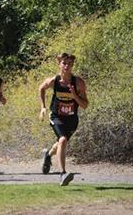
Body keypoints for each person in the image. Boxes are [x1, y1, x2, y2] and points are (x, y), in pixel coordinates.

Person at [39, 52, 88, 186]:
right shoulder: (54, 81)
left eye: (70, 64)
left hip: (72, 119)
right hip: (56, 116)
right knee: (63, 139)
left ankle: (48, 155)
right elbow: (41, 88)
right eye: (64, 63)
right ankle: (63, 173)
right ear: (59, 64)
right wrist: (43, 107)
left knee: (61, 143)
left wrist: (75, 96)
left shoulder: (78, 83)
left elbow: (85, 105)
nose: (67, 66)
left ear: (73, 66)